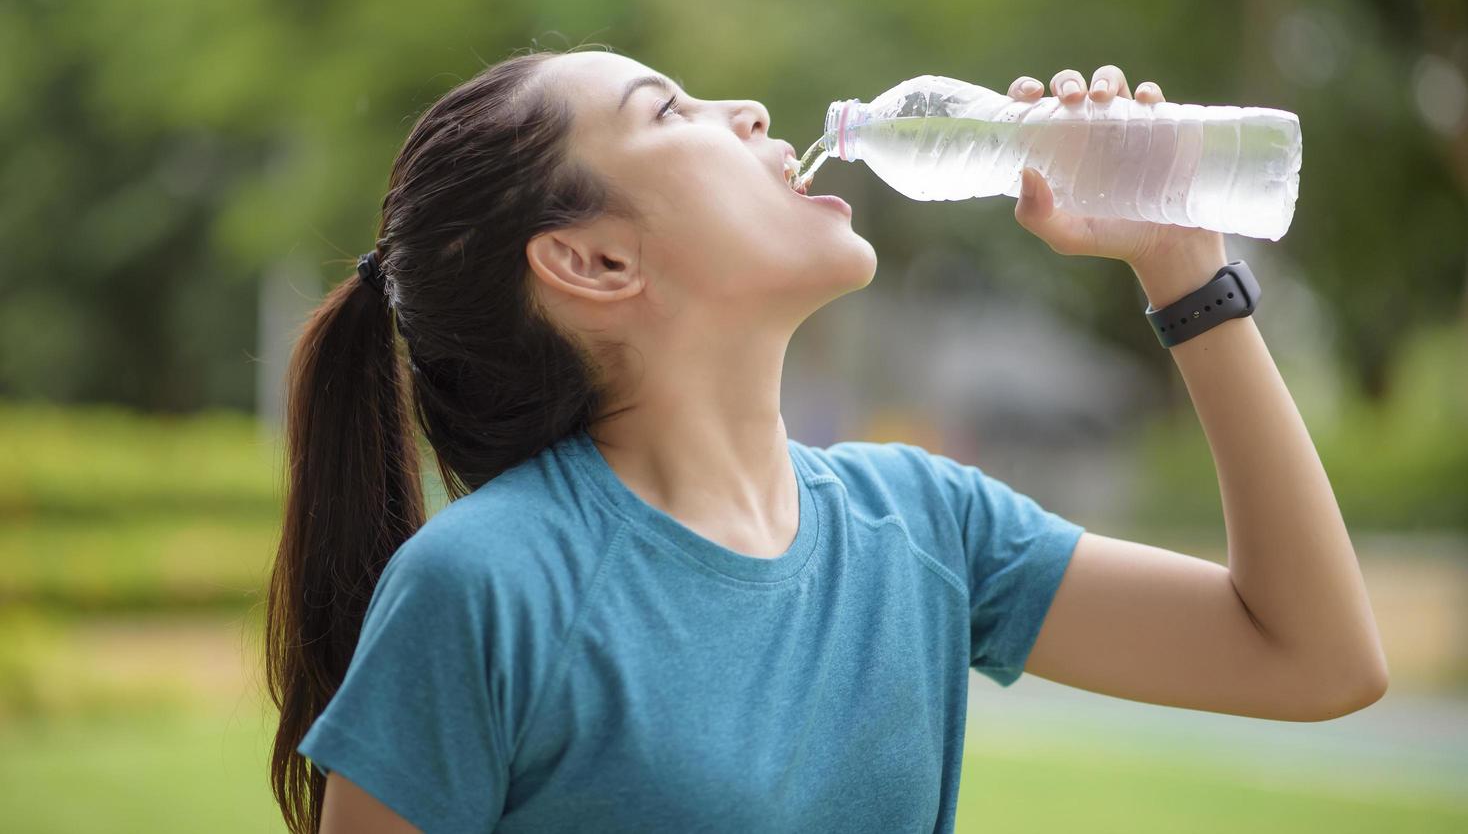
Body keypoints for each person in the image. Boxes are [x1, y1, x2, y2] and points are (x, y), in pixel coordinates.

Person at [265, 47, 1388, 834]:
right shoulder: (490, 586)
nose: (746, 110)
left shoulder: (927, 522)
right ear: (595, 263)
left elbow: (1317, 659)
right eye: (670, 112)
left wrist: (1183, 265)